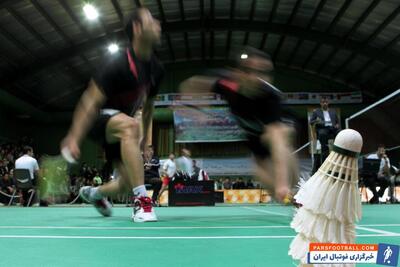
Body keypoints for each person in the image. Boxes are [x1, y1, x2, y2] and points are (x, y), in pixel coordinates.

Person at [60, 8, 164, 222]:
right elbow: (90, 100)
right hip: (99, 120)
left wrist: (146, 141)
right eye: (150, 20)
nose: (157, 23)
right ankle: (142, 203)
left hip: (121, 127)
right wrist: (74, 136)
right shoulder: (117, 63)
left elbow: (149, 107)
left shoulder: (157, 69)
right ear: (137, 28)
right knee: (130, 125)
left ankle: (94, 194)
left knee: (126, 181)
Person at [179, 47, 296, 201]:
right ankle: (288, 194)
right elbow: (190, 84)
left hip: (280, 129)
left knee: (275, 138)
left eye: (263, 73)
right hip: (253, 136)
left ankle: (296, 187)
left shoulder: (270, 97)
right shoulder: (227, 83)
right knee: (270, 185)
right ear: (238, 73)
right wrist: (199, 108)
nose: (257, 78)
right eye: (250, 71)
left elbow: (277, 142)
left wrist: (282, 183)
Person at [310, 97, 340, 163]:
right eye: (323, 102)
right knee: (322, 134)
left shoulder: (333, 111)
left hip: (332, 127)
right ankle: (325, 152)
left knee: (340, 133)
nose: (325, 104)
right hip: (322, 128)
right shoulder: (316, 111)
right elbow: (311, 122)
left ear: (328, 103)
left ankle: (338, 150)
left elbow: (337, 121)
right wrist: (316, 121)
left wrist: (337, 125)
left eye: (326, 102)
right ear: (320, 103)